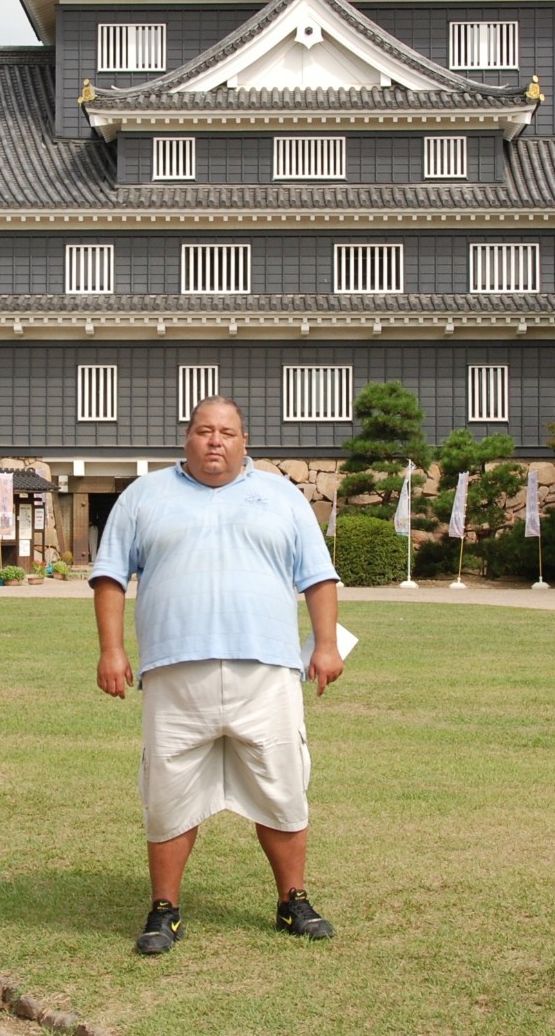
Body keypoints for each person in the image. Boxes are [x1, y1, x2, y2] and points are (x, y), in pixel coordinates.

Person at [89, 395, 345, 955]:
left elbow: (318, 576)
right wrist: (112, 650)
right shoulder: (144, 496)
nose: (215, 441)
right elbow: (110, 576)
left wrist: (326, 644)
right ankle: (164, 909)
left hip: (268, 670)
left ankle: (292, 901)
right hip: (176, 672)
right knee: (168, 791)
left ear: (243, 440)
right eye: (204, 430)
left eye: (226, 432)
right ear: (187, 438)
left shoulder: (281, 497)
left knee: (282, 788)